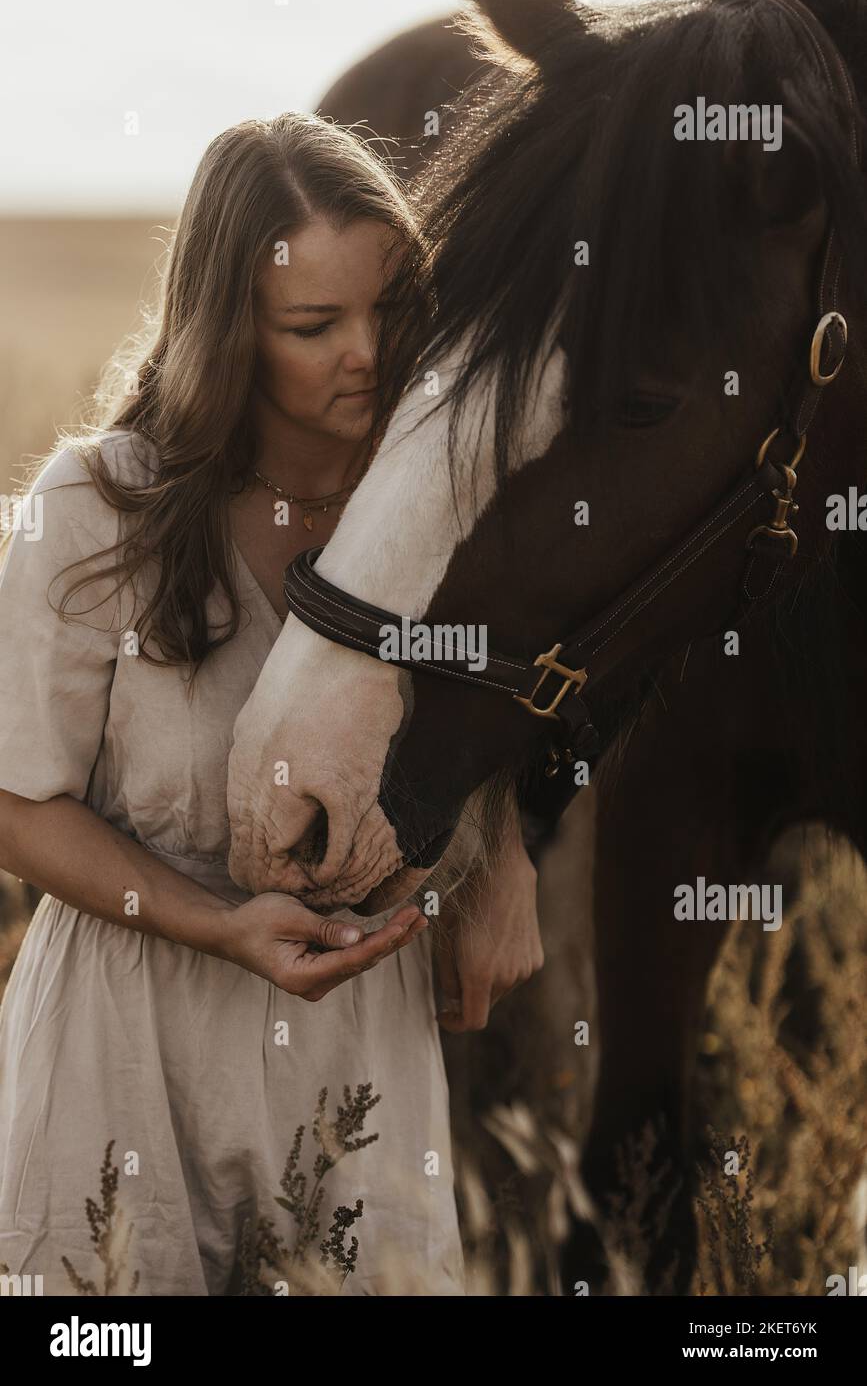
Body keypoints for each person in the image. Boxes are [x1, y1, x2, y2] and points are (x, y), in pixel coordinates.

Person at [0, 111, 542, 1296]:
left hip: (354, 1051)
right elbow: (15, 805)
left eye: (391, 312)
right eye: (315, 324)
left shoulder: (440, 515)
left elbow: (514, 703)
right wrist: (217, 925)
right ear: (229, 329)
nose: (366, 352)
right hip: (126, 1047)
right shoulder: (96, 509)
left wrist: (502, 854)